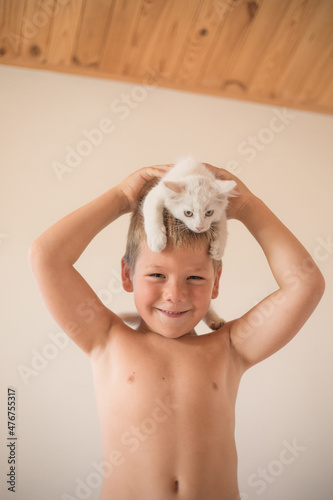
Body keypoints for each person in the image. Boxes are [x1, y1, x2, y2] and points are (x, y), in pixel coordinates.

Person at [29, 163, 325, 500]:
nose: (175, 294)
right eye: (156, 275)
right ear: (127, 275)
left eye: (196, 278)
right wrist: (121, 197)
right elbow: (46, 256)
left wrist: (245, 207)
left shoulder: (231, 347)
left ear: (216, 282)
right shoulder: (107, 338)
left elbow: (305, 284)